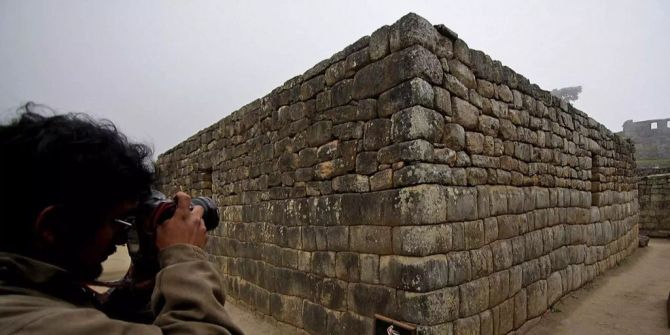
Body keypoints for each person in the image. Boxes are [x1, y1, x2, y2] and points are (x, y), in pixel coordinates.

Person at [0, 104, 243, 334]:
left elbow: (91, 318)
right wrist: (184, 257)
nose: (119, 238)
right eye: (115, 221)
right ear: (52, 226)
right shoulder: (32, 324)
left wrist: (132, 293)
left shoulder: (26, 294)